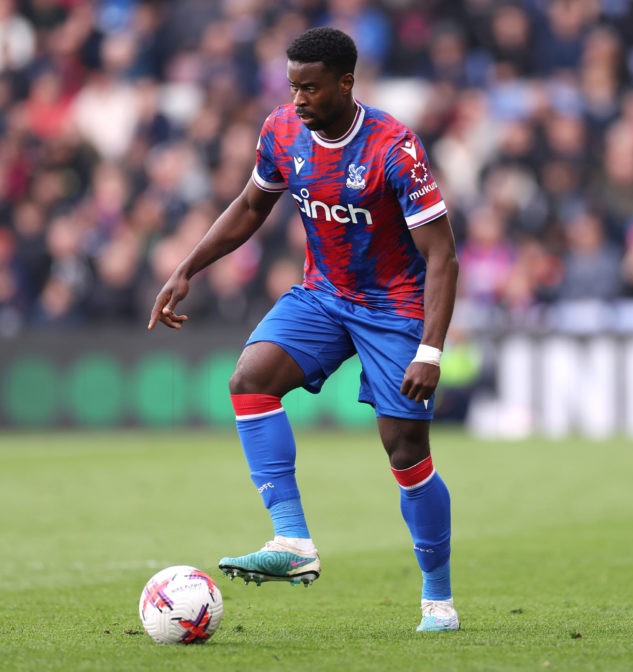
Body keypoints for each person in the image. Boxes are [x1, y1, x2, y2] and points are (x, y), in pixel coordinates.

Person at [147, 27, 460, 633]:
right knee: (249, 380)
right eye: (292, 86)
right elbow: (249, 206)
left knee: (406, 452)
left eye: (310, 88)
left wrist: (430, 349)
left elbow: (443, 256)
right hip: (323, 295)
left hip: (394, 307)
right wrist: (187, 269)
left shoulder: (395, 147)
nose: (298, 99)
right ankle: (292, 541)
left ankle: (437, 598)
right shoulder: (283, 131)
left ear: (346, 82)